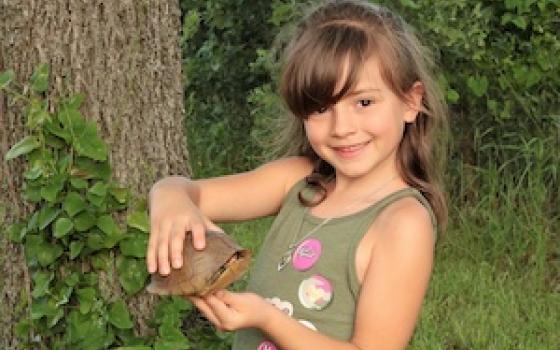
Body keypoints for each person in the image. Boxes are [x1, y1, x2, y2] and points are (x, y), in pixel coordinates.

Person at [147, 0, 448, 349]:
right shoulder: (297, 181)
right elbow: (187, 191)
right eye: (320, 109)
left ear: (411, 102)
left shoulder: (402, 222)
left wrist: (267, 319)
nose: (342, 128)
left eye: (363, 103)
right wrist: (170, 198)